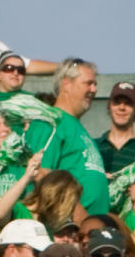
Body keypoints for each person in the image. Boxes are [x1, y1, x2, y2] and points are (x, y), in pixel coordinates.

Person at [18, 61, 108, 220]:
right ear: (66, 83)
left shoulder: (78, 128)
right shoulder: (51, 121)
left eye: (95, 84)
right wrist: (80, 219)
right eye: (88, 83)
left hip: (93, 228)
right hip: (69, 231)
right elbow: (39, 173)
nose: (94, 90)